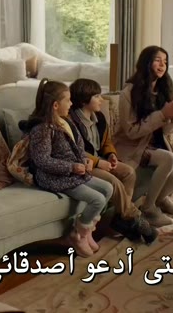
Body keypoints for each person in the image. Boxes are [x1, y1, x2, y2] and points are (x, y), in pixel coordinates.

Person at [19, 78, 114, 257]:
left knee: (108, 188)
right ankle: (77, 234)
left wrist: (85, 161)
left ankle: (87, 231)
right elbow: (42, 160)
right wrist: (72, 167)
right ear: (55, 105)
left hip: (74, 173)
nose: (71, 104)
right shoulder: (42, 129)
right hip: (55, 177)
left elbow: (79, 148)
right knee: (97, 199)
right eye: (68, 100)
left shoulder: (66, 122)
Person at [69, 78, 158, 244]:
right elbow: (75, 150)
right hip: (85, 164)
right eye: (97, 96)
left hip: (100, 160)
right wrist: (98, 162)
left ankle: (121, 218)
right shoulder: (71, 122)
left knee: (129, 172)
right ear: (83, 100)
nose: (101, 99)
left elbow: (107, 141)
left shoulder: (99, 117)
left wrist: (111, 154)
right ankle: (133, 216)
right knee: (114, 182)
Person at [113, 46, 173, 228]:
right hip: (132, 147)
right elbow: (131, 132)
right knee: (168, 158)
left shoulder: (164, 89)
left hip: (154, 145)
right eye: (157, 60)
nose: (162, 65)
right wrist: (161, 115)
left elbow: (167, 131)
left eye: (165, 61)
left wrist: (170, 118)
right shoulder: (129, 93)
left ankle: (161, 200)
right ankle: (149, 209)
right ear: (146, 63)